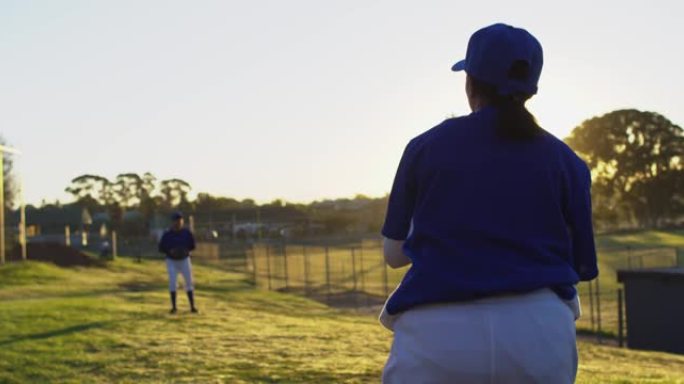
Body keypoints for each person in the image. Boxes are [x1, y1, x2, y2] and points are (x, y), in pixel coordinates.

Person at [380, 23, 598, 383]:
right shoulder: (566, 160)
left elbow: (394, 254)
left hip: (437, 334)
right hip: (540, 333)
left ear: (471, 83)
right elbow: (579, 262)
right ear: (530, 88)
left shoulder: (425, 147)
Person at [158, 211, 198, 314]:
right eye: (176, 221)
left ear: (182, 221)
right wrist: (170, 251)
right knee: (172, 282)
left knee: (189, 282)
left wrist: (185, 250)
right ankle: (174, 307)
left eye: (180, 220)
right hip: (171, 260)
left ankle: (192, 306)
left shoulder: (186, 233)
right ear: (172, 222)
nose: (178, 223)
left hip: (184, 259)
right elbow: (161, 247)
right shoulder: (167, 234)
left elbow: (192, 245)